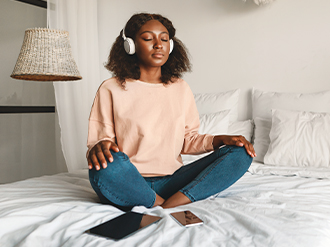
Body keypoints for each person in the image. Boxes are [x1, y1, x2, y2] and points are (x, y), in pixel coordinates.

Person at [87, 13, 256, 211]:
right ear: (130, 45)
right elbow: (100, 144)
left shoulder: (180, 87)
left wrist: (219, 140)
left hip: (173, 182)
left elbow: (187, 140)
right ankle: (160, 203)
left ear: (171, 46)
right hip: (129, 178)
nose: (158, 44)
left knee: (241, 153)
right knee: (105, 167)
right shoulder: (111, 88)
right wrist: (100, 146)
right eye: (148, 38)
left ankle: (172, 200)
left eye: (164, 39)